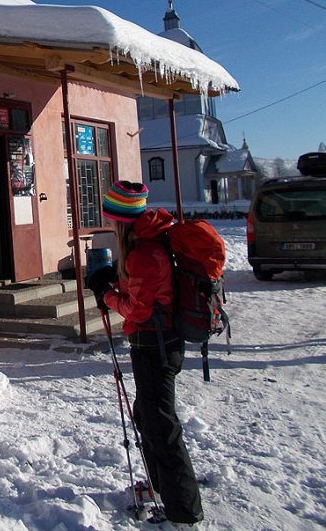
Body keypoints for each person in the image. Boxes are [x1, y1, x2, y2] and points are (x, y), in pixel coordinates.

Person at [86, 180, 204, 526]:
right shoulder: (144, 244)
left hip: (156, 346)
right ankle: (160, 488)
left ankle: (184, 513)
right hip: (154, 343)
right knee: (148, 417)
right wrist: (114, 281)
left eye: (110, 218)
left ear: (121, 219)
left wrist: (107, 293)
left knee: (162, 427)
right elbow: (143, 294)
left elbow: (139, 309)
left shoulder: (145, 252)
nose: (108, 225)